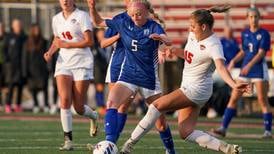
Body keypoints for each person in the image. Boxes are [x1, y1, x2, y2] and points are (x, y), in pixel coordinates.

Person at [120, 5, 250, 154]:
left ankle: (128, 146)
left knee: (156, 106)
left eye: (193, 26)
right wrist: (173, 51)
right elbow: (189, 55)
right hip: (191, 88)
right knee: (185, 132)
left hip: (196, 89)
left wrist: (234, 84)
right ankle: (228, 148)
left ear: (204, 27)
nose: (190, 28)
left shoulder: (214, 44)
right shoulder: (194, 34)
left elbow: (221, 68)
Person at [87, 0, 176, 153]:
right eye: (133, 14)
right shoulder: (122, 22)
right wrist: (92, 7)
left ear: (147, 13)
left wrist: (162, 40)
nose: (136, 17)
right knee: (112, 102)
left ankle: (170, 150)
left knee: (160, 121)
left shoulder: (153, 26)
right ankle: (110, 143)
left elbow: (168, 40)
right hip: (128, 75)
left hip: (149, 79)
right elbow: (97, 22)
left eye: (139, 14)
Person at [43, 0, 98, 150]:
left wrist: (68, 45)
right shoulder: (56, 19)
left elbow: (89, 41)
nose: (65, 1)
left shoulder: (82, 16)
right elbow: (57, 40)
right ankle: (68, 141)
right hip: (63, 63)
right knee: (65, 100)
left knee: (79, 107)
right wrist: (50, 52)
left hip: (82, 62)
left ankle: (93, 116)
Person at [212, 7, 272, 139]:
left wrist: (249, 65)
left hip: (258, 70)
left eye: (256, 16)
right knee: (234, 97)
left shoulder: (264, 34)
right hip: (245, 70)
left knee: (262, 100)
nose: (253, 19)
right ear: (247, 18)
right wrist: (233, 61)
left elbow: (261, 53)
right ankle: (223, 128)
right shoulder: (245, 33)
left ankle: (268, 131)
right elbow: (244, 51)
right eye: (251, 17)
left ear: (259, 18)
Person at [23, 23, 50, 113]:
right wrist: (25, 71)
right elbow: (24, 58)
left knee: (44, 88)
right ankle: (36, 105)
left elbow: (48, 55)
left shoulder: (44, 41)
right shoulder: (27, 43)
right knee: (33, 88)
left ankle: (46, 105)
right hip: (32, 70)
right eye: (35, 29)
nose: (37, 31)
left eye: (38, 29)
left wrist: (48, 67)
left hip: (42, 69)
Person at [3, 19, 27, 113]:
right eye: (16, 25)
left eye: (19, 25)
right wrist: (7, 61)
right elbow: (4, 49)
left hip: (21, 66)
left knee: (20, 87)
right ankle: (8, 105)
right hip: (11, 67)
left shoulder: (24, 37)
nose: (18, 26)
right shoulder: (9, 37)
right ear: (13, 26)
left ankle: (18, 105)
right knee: (11, 86)